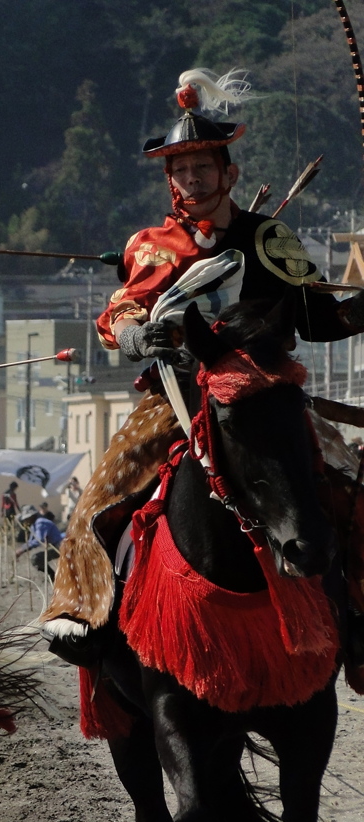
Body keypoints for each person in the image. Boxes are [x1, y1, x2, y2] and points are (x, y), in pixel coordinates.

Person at [41, 67, 364, 665]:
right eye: (181, 169)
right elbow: (122, 312)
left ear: (228, 173)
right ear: (170, 179)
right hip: (177, 395)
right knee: (99, 496)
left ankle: (360, 618)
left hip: (265, 392)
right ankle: (80, 611)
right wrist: (138, 335)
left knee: (349, 483)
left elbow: (320, 321)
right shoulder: (151, 245)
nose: (192, 178)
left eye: (203, 168)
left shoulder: (269, 237)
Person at [15, 504, 63, 581]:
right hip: (53, 546)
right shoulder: (34, 525)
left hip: (59, 547)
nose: (26, 521)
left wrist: (22, 550)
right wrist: (22, 548)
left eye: (27, 518)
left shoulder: (40, 523)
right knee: (37, 559)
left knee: (36, 559)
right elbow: (31, 541)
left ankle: (53, 575)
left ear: (32, 516)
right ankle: (53, 576)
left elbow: (39, 540)